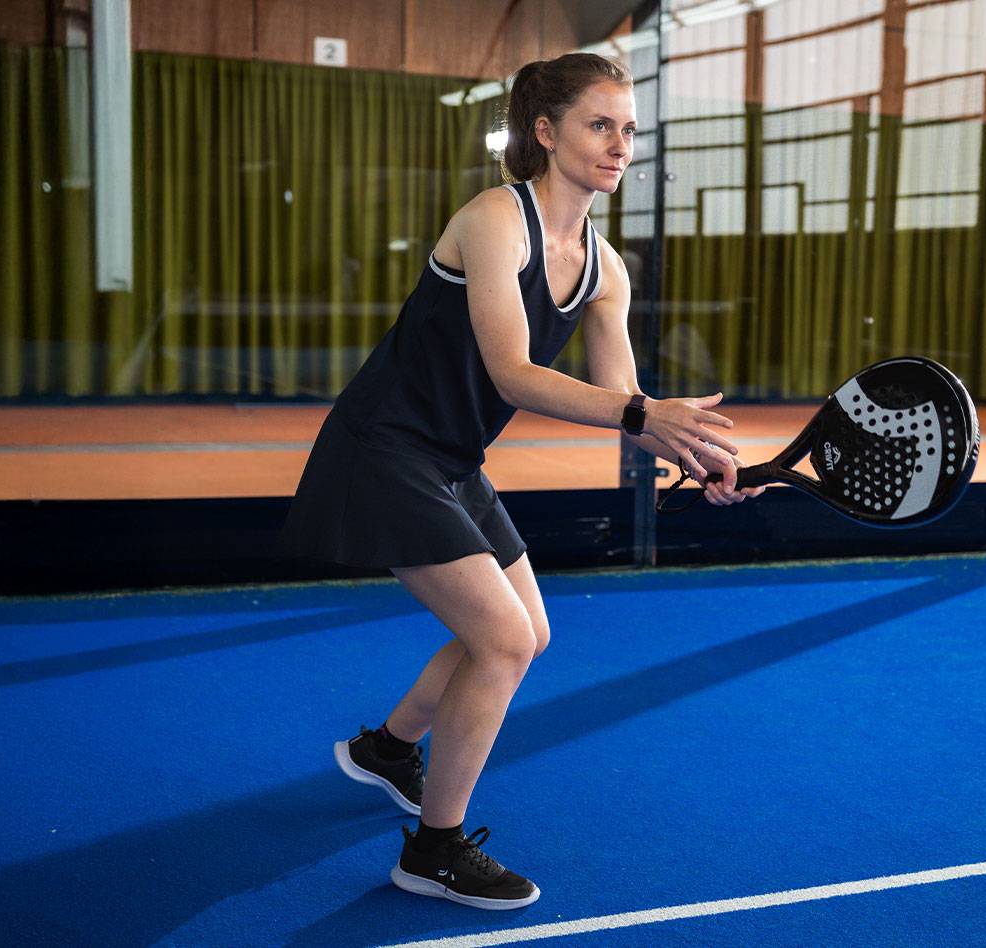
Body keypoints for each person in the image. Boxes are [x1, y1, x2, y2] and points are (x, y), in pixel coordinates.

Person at [281, 51, 763, 911]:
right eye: (600, 125)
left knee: (527, 634)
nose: (620, 147)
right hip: (382, 448)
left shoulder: (606, 267)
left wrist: (706, 459)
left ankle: (388, 750)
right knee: (501, 642)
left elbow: (624, 400)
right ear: (545, 132)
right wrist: (645, 418)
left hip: (451, 462)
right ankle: (431, 850)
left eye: (630, 131)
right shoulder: (496, 220)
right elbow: (512, 373)